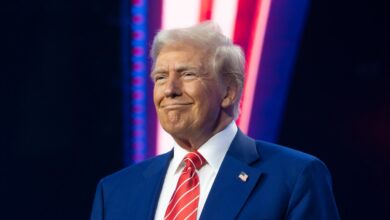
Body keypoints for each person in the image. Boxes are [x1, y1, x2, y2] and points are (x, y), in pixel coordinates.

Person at [90, 22, 339, 220]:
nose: (170, 90)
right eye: (161, 77)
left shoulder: (294, 177)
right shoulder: (114, 191)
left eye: (187, 74)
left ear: (229, 91)